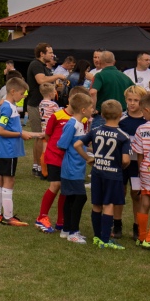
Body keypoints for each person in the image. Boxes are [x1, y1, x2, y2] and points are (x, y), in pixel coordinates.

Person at [75, 99, 131, 250]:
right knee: (109, 205)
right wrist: (122, 166)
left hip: (97, 172)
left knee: (96, 204)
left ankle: (97, 236)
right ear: (120, 114)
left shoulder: (95, 130)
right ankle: (105, 240)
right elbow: (126, 159)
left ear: (103, 115)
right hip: (113, 175)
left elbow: (77, 144)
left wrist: (88, 159)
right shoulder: (123, 136)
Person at [0, 77, 39, 227]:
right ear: (12, 91)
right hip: (9, 151)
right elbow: (0, 130)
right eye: (21, 93)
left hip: (5, 150)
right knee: (9, 180)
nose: (23, 96)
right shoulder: (7, 108)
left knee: (0, 179)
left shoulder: (9, 106)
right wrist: (20, 135)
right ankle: (8, 216)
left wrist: (37, 134)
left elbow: (13, 128)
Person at [37, 91, 84, 233]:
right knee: (55, 184)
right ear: (69, 99)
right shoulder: (57, 115)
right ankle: (42, 217)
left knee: (66, 188)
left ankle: (61, 221)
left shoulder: (83, 119)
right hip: (55, 156)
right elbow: (48, 134)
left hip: (69, 159)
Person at [56, 94, 96, 244]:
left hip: (76, 168)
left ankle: (66, 230)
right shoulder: (72, 124)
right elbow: (62, 143)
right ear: (84, 109)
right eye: (91, 107)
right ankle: (73, 231)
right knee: (80, 197)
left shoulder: (79, 124)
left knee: (71, 198)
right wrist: (84, 156)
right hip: (71, 169)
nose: (93, 109)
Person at [26, 43, 67, 177]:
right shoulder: (36, 64)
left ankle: (41, 165)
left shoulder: (44, 66)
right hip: (36, 105)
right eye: (50, 52)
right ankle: (37, 166)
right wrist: (58, 76)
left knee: (44, 136)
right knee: (39, 136)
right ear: (42, 54)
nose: (52, 55)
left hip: (44, 105)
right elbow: (41, 80)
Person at [120, 85, 148, 239]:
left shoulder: (146, 120)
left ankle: (137, 227)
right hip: (122, 163)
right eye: (129, 100)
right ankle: (117, 224)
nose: (132, 103)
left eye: (136, 100)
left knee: (137, 195)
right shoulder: (121, 118)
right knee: (119, 193)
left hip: (138, 164)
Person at [131, 93, 150, 248]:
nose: (143, 115)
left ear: (148, 110)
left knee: (145, 202)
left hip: (146, 169)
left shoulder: (141, 128)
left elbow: (139, 153)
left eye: (143, 113)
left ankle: (141, 236)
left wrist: (141, 171)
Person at [91, 51, 132, 131]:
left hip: (103, 116)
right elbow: (137, 91)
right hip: (121, 117)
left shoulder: (99, 75)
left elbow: (93, 92)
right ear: (114, 62)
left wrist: (93, 109)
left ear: (100, 61)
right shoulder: (124, 76)